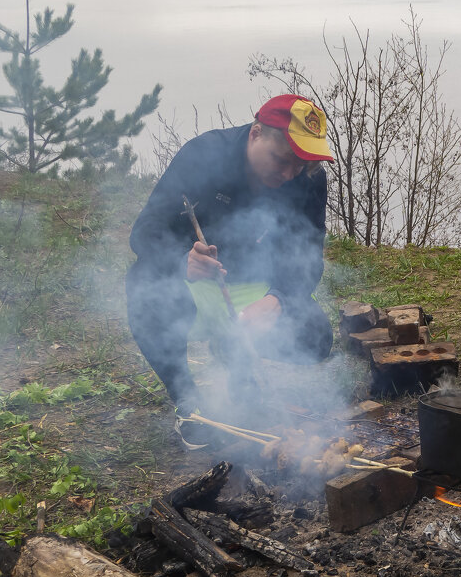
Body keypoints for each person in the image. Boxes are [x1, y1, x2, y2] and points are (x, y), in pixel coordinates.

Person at [126, 94, 335, 428]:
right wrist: (182, 261)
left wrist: (277, 299)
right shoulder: (203, 156)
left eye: (300, 165)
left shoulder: (309, 180)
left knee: (316, 336)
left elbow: (308, 257)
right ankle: (188, 402)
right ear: (255, 134)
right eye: (281, 160)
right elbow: (145, 231)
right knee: (143, 289)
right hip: (192, 286)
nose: (289, 173)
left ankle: (234, 354)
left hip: (256, 289)